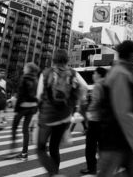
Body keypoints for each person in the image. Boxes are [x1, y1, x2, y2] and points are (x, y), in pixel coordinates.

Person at [97, 40, 133, 177]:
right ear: (131, 55)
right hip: (115, 139)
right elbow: (124, 112)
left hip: (121, 139)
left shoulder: (124, 72)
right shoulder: (121, 74)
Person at [37, 49, 86, 177]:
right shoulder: (73, 73)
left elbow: (39, 96)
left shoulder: (46, 73)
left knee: (41, 148)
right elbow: (84, 87)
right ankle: (55, 172)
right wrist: (76, 103)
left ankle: (53, 174)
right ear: (66, 59)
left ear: (53, 59)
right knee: (54, 147)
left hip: (48, 116)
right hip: (64, 117)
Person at [6, 62, 39, 161]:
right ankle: (24, 153)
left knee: (14, 127)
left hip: (23, 107)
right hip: (32, 107)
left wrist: (16, 109)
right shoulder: (36, 80)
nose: (24, 69)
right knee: (25, 130)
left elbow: (20, 94)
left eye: (25, 67)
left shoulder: (24, 78)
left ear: (28, 69)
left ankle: (12, 150)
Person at [79, 66, 107, 175]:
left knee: (90, 146)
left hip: (95, 119)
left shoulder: (98, 85)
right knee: (102, 145)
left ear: (99, 75)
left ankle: (91, 168)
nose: (93, 75)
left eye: (94, 73)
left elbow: (96, 101)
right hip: (104, 119)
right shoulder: (107, 85)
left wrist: (88, 110)